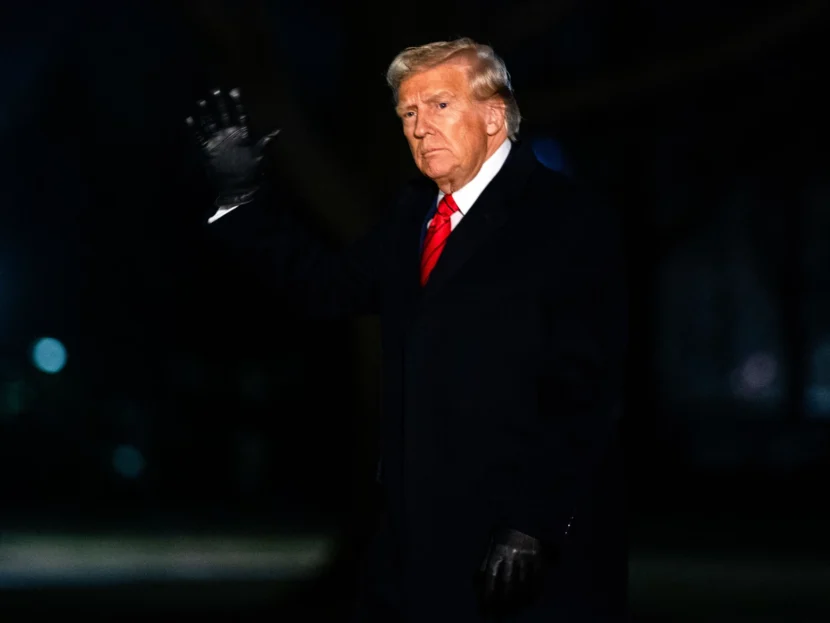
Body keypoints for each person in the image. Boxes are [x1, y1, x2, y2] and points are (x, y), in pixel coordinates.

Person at [186, 38, 628, 623]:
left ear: (494, 116)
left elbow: (585, 391)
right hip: (410, 547)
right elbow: (325, 287)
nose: (419, 127)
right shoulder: (412, 214)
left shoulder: (565, 218)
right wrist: (243, 199)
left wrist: (533, 522)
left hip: (518, 553)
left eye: (440, 105)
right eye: (408, 113)